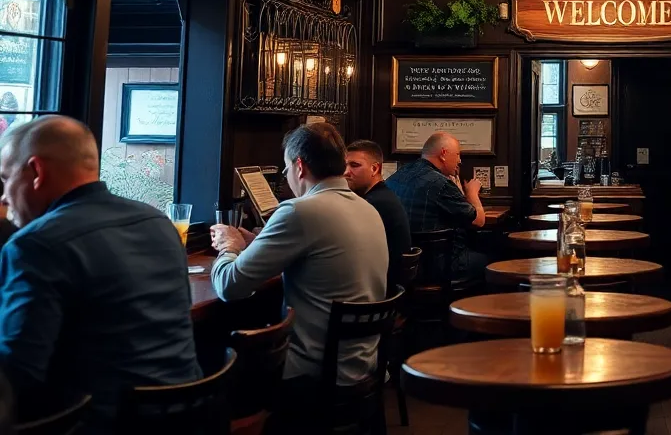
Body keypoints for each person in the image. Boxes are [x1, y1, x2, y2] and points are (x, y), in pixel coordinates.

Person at [0, 116, 201, 424]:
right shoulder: (157, 222)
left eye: (4, 178)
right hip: (190, 415)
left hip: (100, 423)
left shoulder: (38, 244)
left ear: (36, 171)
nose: (3, 196)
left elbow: (17, 370)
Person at [210, 122, 387, 394]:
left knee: (215, 362)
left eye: (286, 168)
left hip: (315, 371)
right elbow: (321, 254)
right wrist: (259, 244)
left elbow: (229, 287)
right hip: (363, 362)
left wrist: (229, 246)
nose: (287, 175)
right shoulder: (368, 209)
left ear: (300, 166)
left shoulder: (299, 211)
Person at [385, 131, 487, 281]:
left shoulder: (397, 176)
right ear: (444, 154)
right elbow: (479, 221)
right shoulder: (442, 184)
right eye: (458, 154)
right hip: (438, 266)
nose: (459, 160)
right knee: (494, 261)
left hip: (401, 265)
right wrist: (472, 193)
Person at [344, 139, 412, 289]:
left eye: (354, 165)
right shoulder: (382, 195)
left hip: (380, 292)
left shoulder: (373, 203)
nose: (346, 172)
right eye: (345, 165)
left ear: (375, 169)